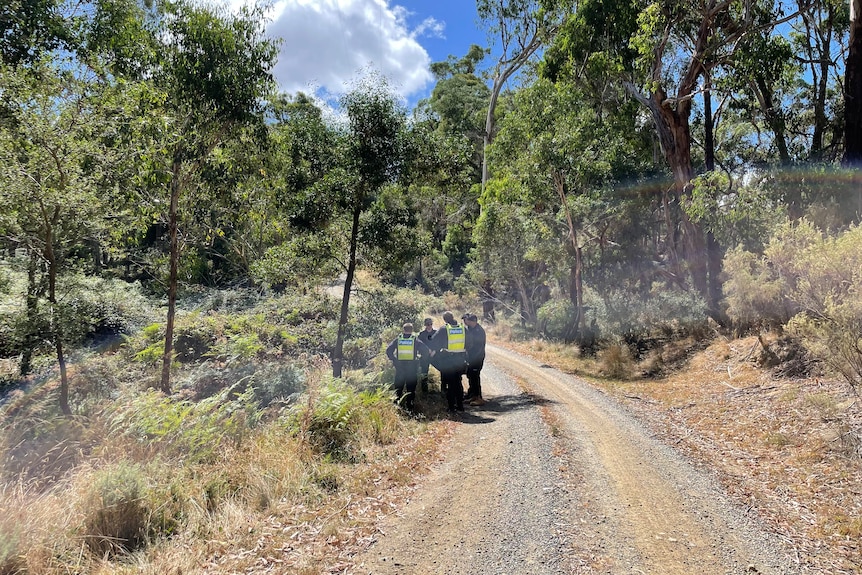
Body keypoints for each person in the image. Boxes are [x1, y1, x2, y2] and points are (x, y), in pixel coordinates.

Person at [385, 323, 432, 413]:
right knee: (411, 389)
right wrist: (421, 360)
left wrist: (394, 360)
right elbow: (425, 350)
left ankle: (396, 407)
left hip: (400, 367)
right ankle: (409, 408)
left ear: (404, 329)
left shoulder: (398, 339)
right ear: (412, 330)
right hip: (411, 367)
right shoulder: (414, 340)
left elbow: (388, 350)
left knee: (398, 388)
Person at [429, 311, 468, 414]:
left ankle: (451, 407)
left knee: (450, 384)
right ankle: (460, 405)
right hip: (460, 359)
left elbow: (434, 342)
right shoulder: (462, 328)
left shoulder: (444, 329)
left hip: (448, 360)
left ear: (445, 319)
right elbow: (470, 342)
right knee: (458, 382)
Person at [463, 313, 487, 405]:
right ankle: (473, 396)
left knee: (475, 376)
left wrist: (474, 358)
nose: (466, 321)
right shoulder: (470, 329)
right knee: (470, 376)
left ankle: (479, 398)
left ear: (473, 321)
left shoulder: (479, 331)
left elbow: (479, 347)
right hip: (470, 357)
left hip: (477, 357)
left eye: (468, 320)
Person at [416, 317, 436, 395]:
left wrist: (434, 350)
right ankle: (425, 392)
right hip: (425, 356)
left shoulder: (436, 332)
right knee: (424, 373)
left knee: (444, 370)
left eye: (430, 324)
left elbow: (439, 343)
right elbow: (419, 345)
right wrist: (427, 350)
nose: (429, 326)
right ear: (425, 325)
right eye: (428, 324)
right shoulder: (422, 334)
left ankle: (444, 389)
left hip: (435, 355)